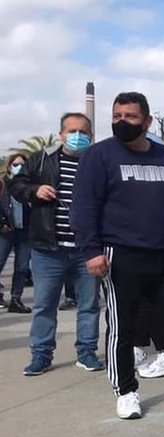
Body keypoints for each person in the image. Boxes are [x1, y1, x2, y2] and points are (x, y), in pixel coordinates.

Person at [70, 92, 164, 420]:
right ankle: (126, 391)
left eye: (130, 117)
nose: (122, 121)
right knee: (123, 327)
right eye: (116, 115)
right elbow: (84, 206)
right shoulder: (98, 156)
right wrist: (91, 251)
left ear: (147, 122)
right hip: (119, 254)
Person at [8, 113, 103, 376]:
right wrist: (34, 191)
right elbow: (16, 184)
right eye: (72, 131)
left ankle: (86, 352)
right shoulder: (42, 159)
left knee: (89, 305)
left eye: (83, 131)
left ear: (91, 136)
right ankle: (41, 355)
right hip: (47, 249)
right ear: (61, 134)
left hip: (87, 251)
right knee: (44, 305)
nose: (77, 136)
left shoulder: (97, 162)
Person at [0, 153, 32, 313]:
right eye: (15, 164)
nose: (18, 167)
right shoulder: (3, 184)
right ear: (9, 166)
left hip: (25, 232)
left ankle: (15, 299)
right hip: (5, 231)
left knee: (22, 268)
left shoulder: (29, 186)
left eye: (21, 164)